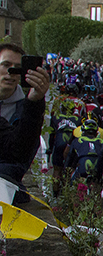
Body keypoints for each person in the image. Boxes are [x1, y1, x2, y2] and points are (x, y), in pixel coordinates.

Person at [0, 44, 51, 199]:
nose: (11, 73)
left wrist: (34, 102)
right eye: (6, 65)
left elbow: (21, 154)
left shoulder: (26, 107)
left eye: (18, 68)